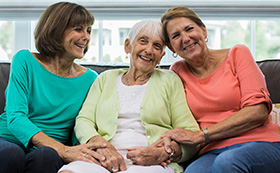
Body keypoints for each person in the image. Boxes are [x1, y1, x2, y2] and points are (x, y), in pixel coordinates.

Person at [154, 6, 280, 173]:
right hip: (211, 152)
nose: (186, 38)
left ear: (203, 31)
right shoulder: (177, 72)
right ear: (170, 47)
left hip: (262, 144)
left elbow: (258, 112)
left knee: (227, 162)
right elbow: (174, 119)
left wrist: (201, 135)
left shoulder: (237, 54)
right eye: (176, 36)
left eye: (189, 29)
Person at [58, 20, 200, 173]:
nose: (149, 50)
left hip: (151, 164)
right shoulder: (105, 79)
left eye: (156, 46)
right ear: (128, 46)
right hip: (103, 158)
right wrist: (99, 145)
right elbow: (84, 120)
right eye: (143, 41)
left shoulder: (170, 80)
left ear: (161, 57)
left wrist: (165, 152)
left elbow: (190, 133)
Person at [0, 2, 104, 173]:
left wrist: (79, 149)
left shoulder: (91, 78)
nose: (86, 37)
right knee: (11, 154)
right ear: (57, 30)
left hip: (51, 150)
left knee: (46, 156)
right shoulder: (24, 60)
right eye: (78, 29)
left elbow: (82, 123)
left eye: (89, 30)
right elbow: (16, 117)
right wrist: (63, 150)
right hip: (9, 140)